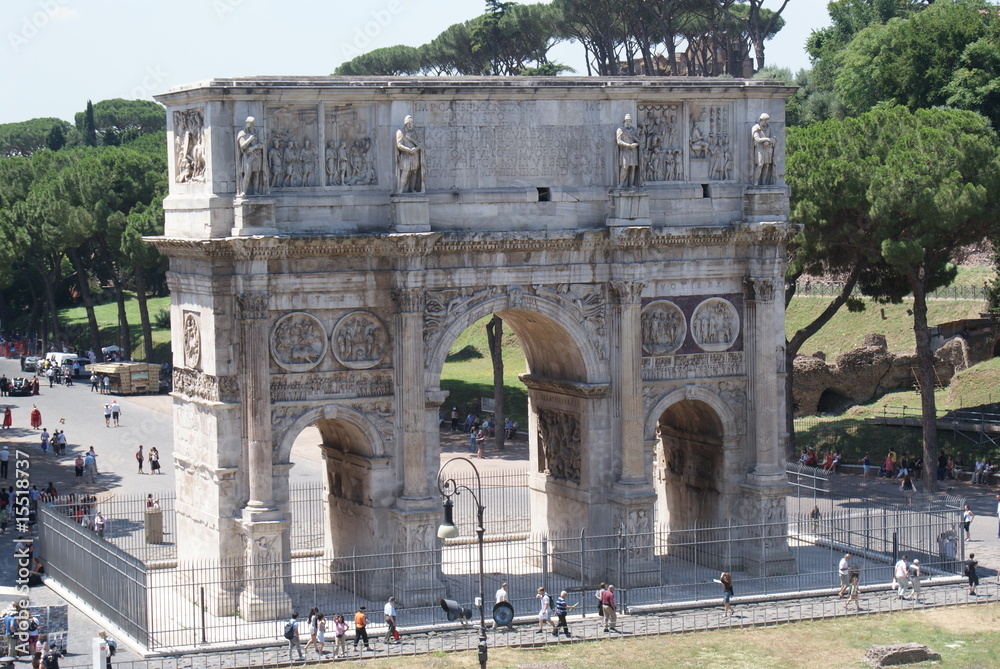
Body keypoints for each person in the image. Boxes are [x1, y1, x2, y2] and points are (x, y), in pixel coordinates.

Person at [395, 115, 424, 193]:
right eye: (408, 123)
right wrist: (408, 150)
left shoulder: (415, 133)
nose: (410, 125)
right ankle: (400, 189)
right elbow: (399, 145)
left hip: (414, 155)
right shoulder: (401, 132)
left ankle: (412, 188)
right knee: (405, 172)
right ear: (405, 124)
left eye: (411, 123)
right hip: (405, 155)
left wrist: (415, 149)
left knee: (414, 172)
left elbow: (421, 144)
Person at [237, 116, 265, 196]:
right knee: (247, 174)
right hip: (248, 156)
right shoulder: (242, 134)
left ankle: (255, 192)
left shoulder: (258, 132)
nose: (247, 125)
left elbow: (262, 143)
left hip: (257, 156)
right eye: (247, 124)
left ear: (252, 125)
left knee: (256, 174)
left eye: (249, 124)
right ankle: (244, 191)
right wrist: (250, 139)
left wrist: (254, 147)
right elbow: (242, 146)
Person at [751, 112, 776, 186]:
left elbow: (774, 138)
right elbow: (757, 139)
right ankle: (756, 181)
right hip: (760, 149)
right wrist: (767, 139)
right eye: (764, 120)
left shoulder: (769, 127)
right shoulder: (756, 128)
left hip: (768, 148)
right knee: (760, 165)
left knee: (767, 165)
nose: (766, 122)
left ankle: (764, 182)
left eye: (766, 120)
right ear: (761, 120)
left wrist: (768, 141)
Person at [616, 114, 641, 188]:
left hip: (633, 151)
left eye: (629, 121)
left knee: (633, 167)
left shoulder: (634, 131)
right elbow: (619, 141)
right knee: (625, 167)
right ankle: (621, 183)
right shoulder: (620, 130)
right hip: (625, 151)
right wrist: (628, 145)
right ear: (624, 122)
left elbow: (639, 140)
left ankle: (631, 184)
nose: (628, 122)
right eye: (627, 121)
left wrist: (635, 142)